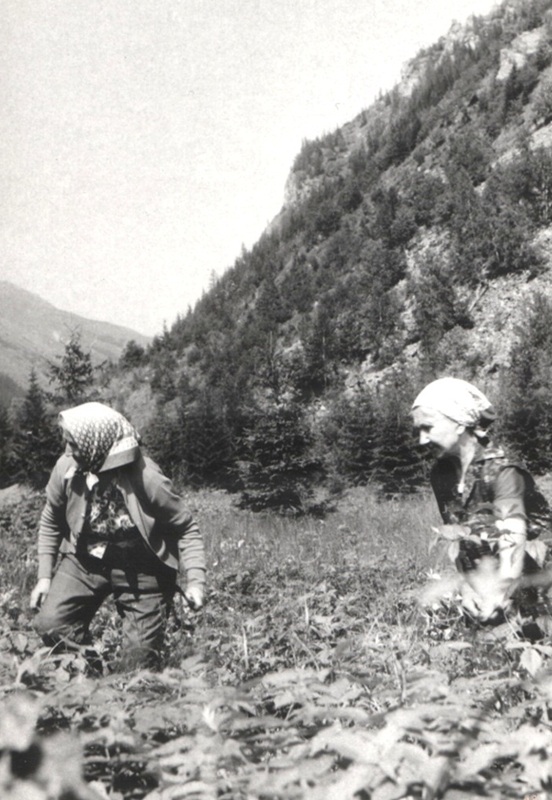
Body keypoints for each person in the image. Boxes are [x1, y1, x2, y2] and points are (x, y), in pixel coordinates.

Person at [30, 401, 206, 669]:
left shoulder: (147, 477)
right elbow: (51, 520)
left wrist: (196, 581)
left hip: (143, 568)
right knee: (51, 625)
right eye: (66, 442)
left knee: (138, 665)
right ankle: (88, 670)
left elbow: (185, 528)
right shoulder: (66, 469)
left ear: (96, 443)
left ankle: (127, 681)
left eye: (74, 444)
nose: (67, 450)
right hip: (85, 559)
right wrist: (44, 578)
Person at [411, 377, 547, 622]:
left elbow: (512, 539)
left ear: (459, 424)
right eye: (417, 430)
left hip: (537, 581)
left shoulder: (503, 469)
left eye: (427, 427)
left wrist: (499, 591)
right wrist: (467, 588)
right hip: (487, 581)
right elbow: (460, 540)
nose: (421, 440)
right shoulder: (441, 474)